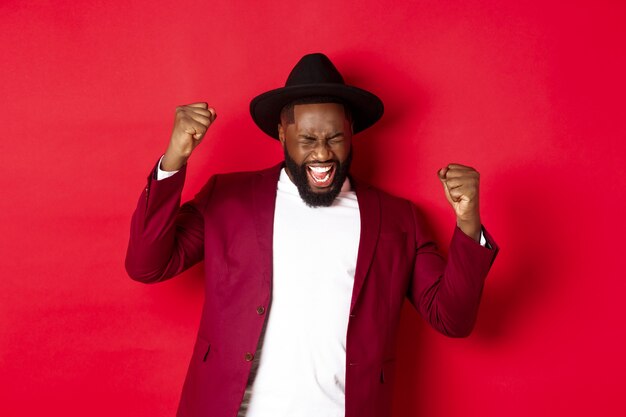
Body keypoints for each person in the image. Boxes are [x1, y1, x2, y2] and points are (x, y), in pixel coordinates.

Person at [125, 53, 499, 417]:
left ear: (352, 133)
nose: (322, 154)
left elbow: (452, 318)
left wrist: (468, 221)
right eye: (307, 139)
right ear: (282, 133)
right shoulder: (227, 197)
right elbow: (147, 265)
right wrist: (174, 158)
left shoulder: (398, 219)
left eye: (335, 138)